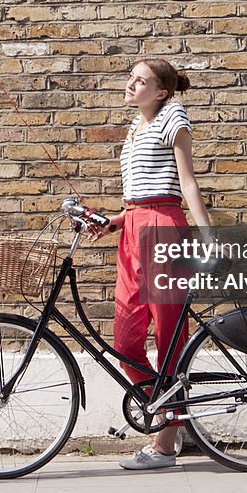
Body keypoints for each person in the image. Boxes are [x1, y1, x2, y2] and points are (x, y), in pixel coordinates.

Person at [90, 59, 213, 470]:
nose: (131, 84)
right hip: (133, 227)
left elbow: (184, 182)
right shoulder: (134, 130)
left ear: (160, 91)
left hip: (163, 227)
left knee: (167, 335)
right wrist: (115, 221)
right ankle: (166, 409)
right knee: (125, 340)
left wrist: (208, 236)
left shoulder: (173, 115)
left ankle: (166, 442)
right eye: (130, 78)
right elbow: (139, 196)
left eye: (140, 80)